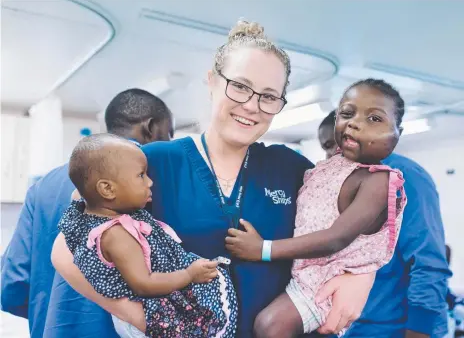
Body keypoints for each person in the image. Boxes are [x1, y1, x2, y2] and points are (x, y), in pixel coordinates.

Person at [52, 19, 377, 337]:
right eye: (239, 86)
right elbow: (66, 252)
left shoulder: (292, 168)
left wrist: (361, 276)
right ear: (211, 81)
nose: (252, 106)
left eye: (268, 96)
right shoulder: (153, 162)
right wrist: (140, 318)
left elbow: (363, 218)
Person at [227, 78, 408, 337]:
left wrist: (262, 249)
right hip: (304, 274)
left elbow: (336, 238)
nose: (355, 122)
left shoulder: (379, 180)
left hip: (325, 282)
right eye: (347, 113)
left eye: (375, 119)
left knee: (270, 325)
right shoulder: (326, 168)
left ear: (398, 133)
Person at [1, 88, 174, 338]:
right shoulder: (158, 178)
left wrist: (55, 314)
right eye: (168, 134)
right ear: (150, 127)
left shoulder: (43, 188)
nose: (169, 144)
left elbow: (12, 289)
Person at [58, 133, 237, 337]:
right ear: (107, 189)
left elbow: (77, 199)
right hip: (150, 315)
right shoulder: (117, 235)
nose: (150, 182)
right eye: (141, 175)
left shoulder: (95, 214)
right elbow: (145, 284)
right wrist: (189, 275)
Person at [317, 104, 451, 337]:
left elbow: (427, 263)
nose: (330, 156)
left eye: (334, 144)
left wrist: (420, 330)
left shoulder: (404, 177)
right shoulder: (352, 182)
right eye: (326, 148)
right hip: (360, 326)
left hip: (399, 329)